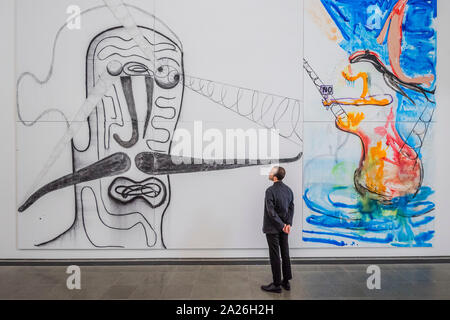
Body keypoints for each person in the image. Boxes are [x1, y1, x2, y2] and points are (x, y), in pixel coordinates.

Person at [261, 166, 294, 293]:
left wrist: (281, 225)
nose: (269, 173)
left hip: (273, 228)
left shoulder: (270, 191)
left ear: (275, 177)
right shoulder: (289, 190)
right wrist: (288, 224)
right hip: (284, 227)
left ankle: (276, 284)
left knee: (275, 255)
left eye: (271, 172)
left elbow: (271, 211)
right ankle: (286, 281)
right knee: (285, 253)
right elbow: (291, 208)